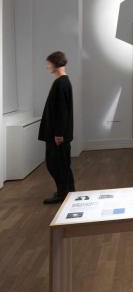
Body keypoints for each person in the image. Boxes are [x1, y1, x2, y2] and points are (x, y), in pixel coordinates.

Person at [38, 51, 75, 204]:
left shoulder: (60, 83)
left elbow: (61, 110)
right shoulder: (64, 81)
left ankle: (62, 194)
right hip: (59, 133)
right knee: (63, 163)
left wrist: (59, 133)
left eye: (49, 64)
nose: (47, 67)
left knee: (55, 164)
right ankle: (69, 192)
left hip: (57, 135)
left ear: (55, 63)